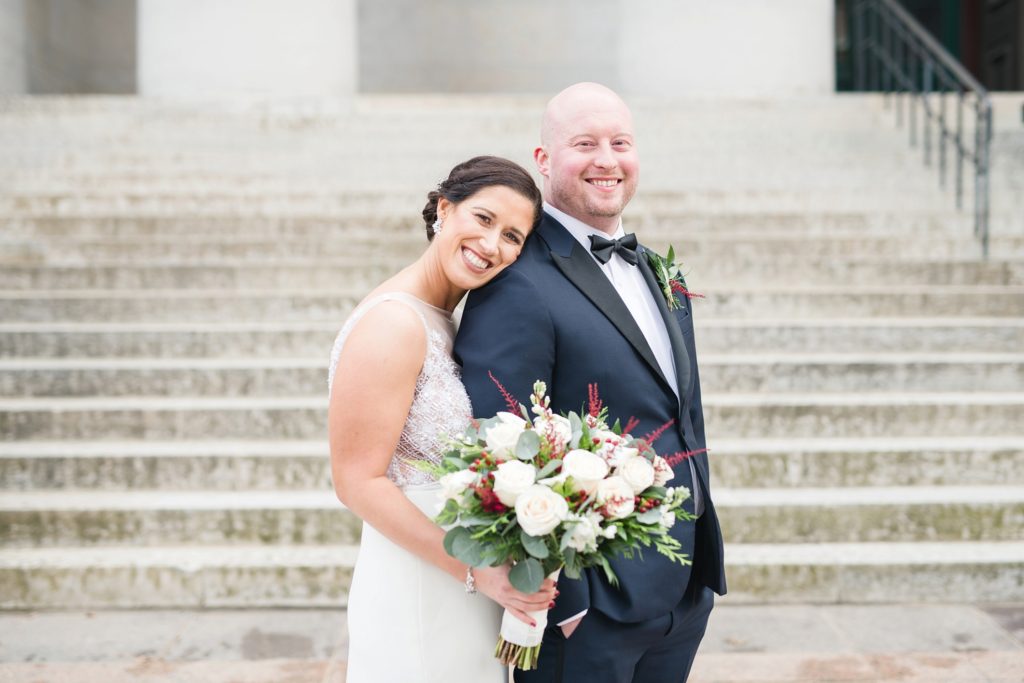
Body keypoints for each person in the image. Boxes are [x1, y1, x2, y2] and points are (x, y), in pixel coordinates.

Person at [455, 84, 726, 682]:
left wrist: (701, 571)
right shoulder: (516, 283)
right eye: (584, 144)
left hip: (683, 593)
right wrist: (572, 608)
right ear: (544, 159)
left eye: (620, 143)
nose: (607, 160)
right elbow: (495, 443)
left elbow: (683, 417)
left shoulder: (655, 266)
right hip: (589, 614)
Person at [327, 155, 556, 683]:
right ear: (444, 209)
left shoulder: (443, 320)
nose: (491, 244)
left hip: (464, 583)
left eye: (512, 237)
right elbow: (356, 481)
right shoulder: (393, 323)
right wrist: (476, 571)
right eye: (483, 218)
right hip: (419, 587)